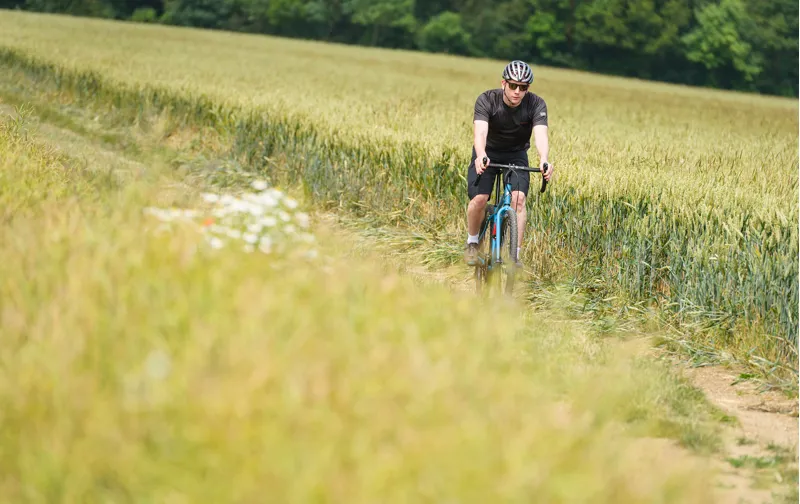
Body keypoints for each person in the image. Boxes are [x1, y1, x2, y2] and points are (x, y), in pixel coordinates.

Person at [463, 60, 553, 267]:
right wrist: (481, 155)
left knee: (518, 200)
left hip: (516, 154)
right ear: (503, 83)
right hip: (488, 152)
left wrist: (544, 159)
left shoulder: (536, 104)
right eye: (513, 86)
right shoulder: (487, 100)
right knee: (480, 199)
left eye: (523, 87)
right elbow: (480, 132)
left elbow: (541, 135)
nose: (517, 92)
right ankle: (472, 242)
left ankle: (515, 256)